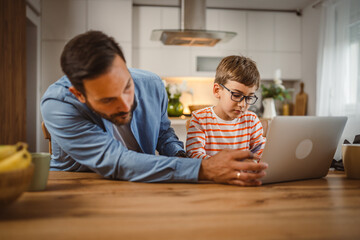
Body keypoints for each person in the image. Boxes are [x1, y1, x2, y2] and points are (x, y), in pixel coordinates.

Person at [41, 31, 267, 186]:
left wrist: (182, 156)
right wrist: (204, 169)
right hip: (80, 185)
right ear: (79, 94)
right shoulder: (58, 105)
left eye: (127, 87)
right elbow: (116, 161)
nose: (125, 104)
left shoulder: (151, 84)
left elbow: (163, 133)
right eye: (108, 100)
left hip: (142, 179)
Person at [186, 55, 266, 160]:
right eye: (237, 95)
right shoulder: (200, 119)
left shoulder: (251, 120)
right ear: (217, 91)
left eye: (249, 97)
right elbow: (194, 155)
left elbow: (262, 151)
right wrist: (226, 165)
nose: (243, 104)